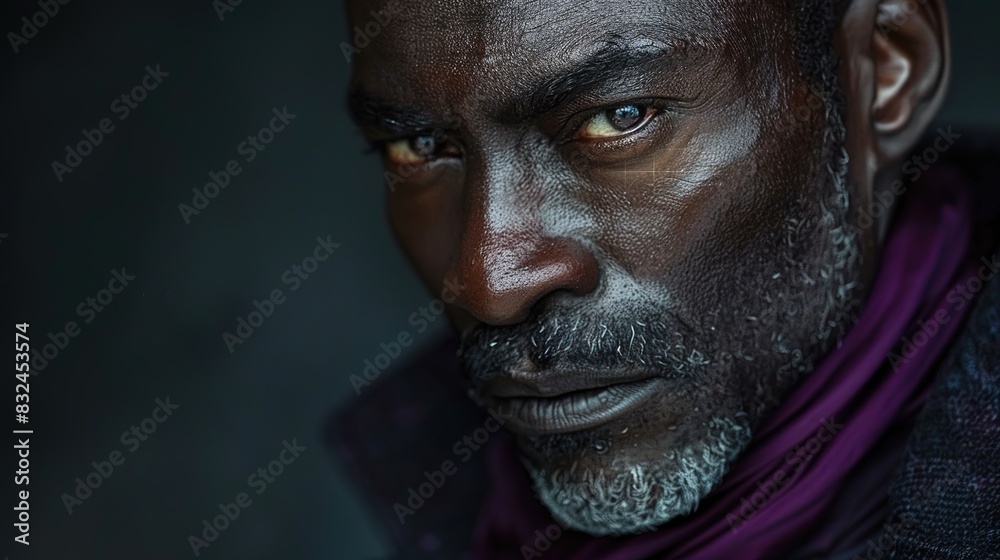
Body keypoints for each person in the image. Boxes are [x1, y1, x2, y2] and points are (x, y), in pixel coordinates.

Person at [332, 0, 1000, 557]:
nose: (490, 284)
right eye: (419, 147)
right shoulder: (463, 500)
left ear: (884, 67)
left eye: (617, 117)